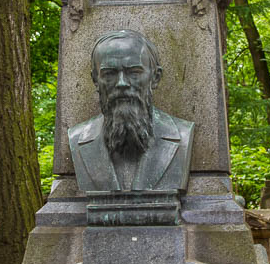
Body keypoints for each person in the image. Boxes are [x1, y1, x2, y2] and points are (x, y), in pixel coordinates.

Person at [68, 30, 194, 192]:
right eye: (109, 74)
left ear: (155, 78)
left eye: (134, 72)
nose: (121, 83)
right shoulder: (77, 138)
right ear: (95, 80)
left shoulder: (182, 134)